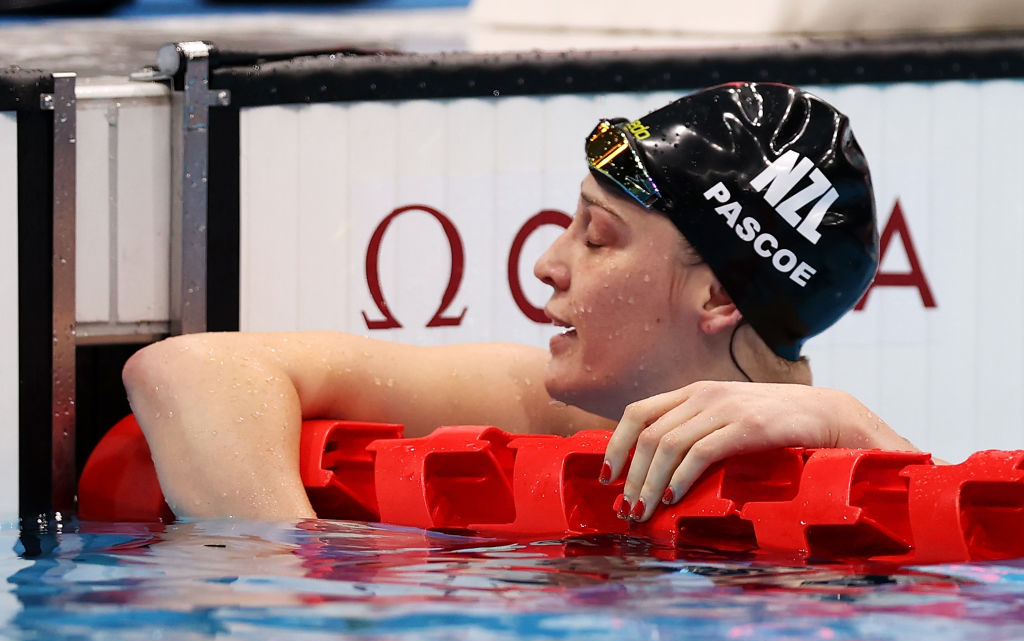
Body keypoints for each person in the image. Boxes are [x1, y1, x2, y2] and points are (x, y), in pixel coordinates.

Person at [122, 82, 916, 524]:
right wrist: (293, 604)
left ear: (714, 294)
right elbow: (194, 371)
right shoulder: (546, 409)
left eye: (597, 238)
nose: (546, 264)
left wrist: (855, 430)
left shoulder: (854, 463)